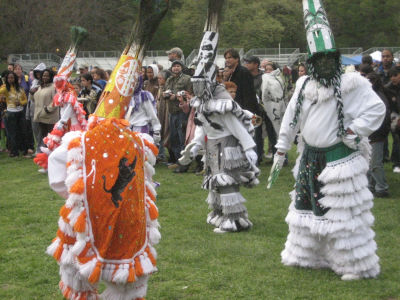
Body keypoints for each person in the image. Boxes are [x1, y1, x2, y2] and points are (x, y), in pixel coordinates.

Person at [270, 0, 384, 281]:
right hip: (310, 156)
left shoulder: (352, 83)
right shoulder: (303, 84)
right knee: (309, 208)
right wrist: (281, 149)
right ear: (310, 62)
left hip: (340, 158)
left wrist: (355, 131)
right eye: (317, 60)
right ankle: (311, 256)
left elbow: (376, 109)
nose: (323, 64)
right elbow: (290, 119)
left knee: (344, 216)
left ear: (336, 59)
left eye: (328, 59)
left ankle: (352, 264)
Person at [179, 7, 259, 233]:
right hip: (212, 145)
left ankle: (234, 218)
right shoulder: (202, 103)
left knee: (225, 181)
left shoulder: (222, 101)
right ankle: (219, 213)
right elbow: (201, 126)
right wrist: (195, 145)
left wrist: (249, 147)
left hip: (227, 145)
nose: (197, 88)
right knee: (213, 181)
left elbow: (235, 126)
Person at [365, 72, 391, 196]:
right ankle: (371, 186)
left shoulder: (378, 97)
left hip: (376, 135)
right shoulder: (375, 95)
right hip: (373, 135)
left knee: (375, 164)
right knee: (370, 164)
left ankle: (382, 188)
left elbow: (383, 119)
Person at [164, 60, 192, 166]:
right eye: (174, 66)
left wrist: (175, 96)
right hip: (171, 111)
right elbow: (167, 91)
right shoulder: (169, 79)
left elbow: (189, 93)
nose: (176, 68)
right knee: (174, 137)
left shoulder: (187, 79)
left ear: (182, 67)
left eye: (178, 66)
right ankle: (177, 160)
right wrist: (165, 94)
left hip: (182, 111)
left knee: (182, 137)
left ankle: (184, 161)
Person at [0, 71, 28, 157]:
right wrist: (2, 98)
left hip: (20, 112)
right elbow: (1, 97)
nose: (10, 79)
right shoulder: (4, 88)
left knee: (22, 131)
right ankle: (14, 152)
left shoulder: (20, 88)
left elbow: (25, 100)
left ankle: (24, 150)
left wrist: (20, 102)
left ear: (15, 78)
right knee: (12, 133)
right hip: (10, 113)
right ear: (6, 79)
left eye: (12, 77)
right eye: (8, 78)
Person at [223, 48, 260, 115]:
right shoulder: (231, 73)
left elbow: (249, 95)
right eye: (226, 58)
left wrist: (246, 114)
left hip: (245, 112)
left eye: (229, 58)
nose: (227, 60)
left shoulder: (243, 72)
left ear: (237, 59)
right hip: (236, 110)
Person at [33, 69, 58, 159]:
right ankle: (46, 157)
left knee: (51, 138)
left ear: (51, 76)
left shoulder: (53, 87)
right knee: (44, 137)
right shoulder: (40, 86)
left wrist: (47, 110)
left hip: (49, 117)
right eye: (43, 75)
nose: (45, 77)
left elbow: (55, 101)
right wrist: (32, 94)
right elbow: (35, 100)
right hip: (40, 116)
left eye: (47, 75)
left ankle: (53, 156)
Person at [261, 61, 286, 154]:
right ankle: (273, 153)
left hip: (278, 106)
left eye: (270, 69)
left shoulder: (279, 79)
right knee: (270, 132)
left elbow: (282, 93)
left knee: (279, 131)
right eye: (266, 69)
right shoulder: (264, 78)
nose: (268, 71)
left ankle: (282, 154)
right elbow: (263, 94)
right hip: (268, 107)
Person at [385, 66, 400, 173]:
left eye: (395, 75)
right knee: (396, 140)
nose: (393, 78)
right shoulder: (387, 89)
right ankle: (396, 163)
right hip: (394, 116)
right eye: (391, 76)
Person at [155, 69, 172, 162]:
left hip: (166, 113)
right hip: (160, 113)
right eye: (158, 78)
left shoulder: (168, 88)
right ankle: (160, 154)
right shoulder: (160, 87)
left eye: (160, 78)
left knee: (167, 132)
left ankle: (169, 155)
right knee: (159, 132)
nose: (158, 80)